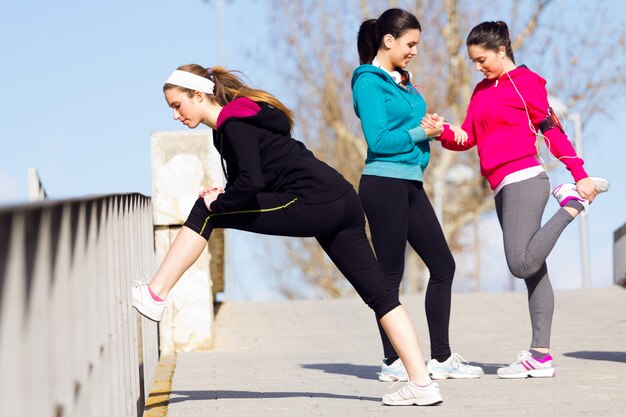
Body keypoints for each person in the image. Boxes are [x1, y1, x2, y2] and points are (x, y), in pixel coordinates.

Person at [132, 64, 443, 405]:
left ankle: (156, 295)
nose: (175, 115)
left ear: (199, 95)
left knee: (204, 212)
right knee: (381, 296)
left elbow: (251, 183)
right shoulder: (242, 120)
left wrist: (218, 203)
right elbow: (254, 178)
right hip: (341, 197)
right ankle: (422, 383)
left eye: (178, 105)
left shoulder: (233, 125)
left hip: (311, 201)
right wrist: (223, 195)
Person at [420, 21, 609, 379]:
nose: (478, 67)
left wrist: (579, 175)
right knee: (534, 271)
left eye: (482, 59)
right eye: (474, 61)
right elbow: (468, 137)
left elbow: (551, 130)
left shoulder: (526, 84)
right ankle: (540, 356)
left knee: (521, 264)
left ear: (502, 50)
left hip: (525, 178)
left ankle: (571, 205)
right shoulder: (480, 92)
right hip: (500, 186)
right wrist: (440, 131)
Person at [351, 8, 484, 382]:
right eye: (410, 44)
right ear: (388, 41)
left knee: (443, 266)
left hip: (410, 182)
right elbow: (378, 140)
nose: (414, 51)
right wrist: (419, 134)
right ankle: (392, 362)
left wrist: (430, 126)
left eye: (417, 45)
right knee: (389, 276)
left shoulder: (402, 82)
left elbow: (407, 129)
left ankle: (440, 357)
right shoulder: (367, 82)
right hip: (383, 184)